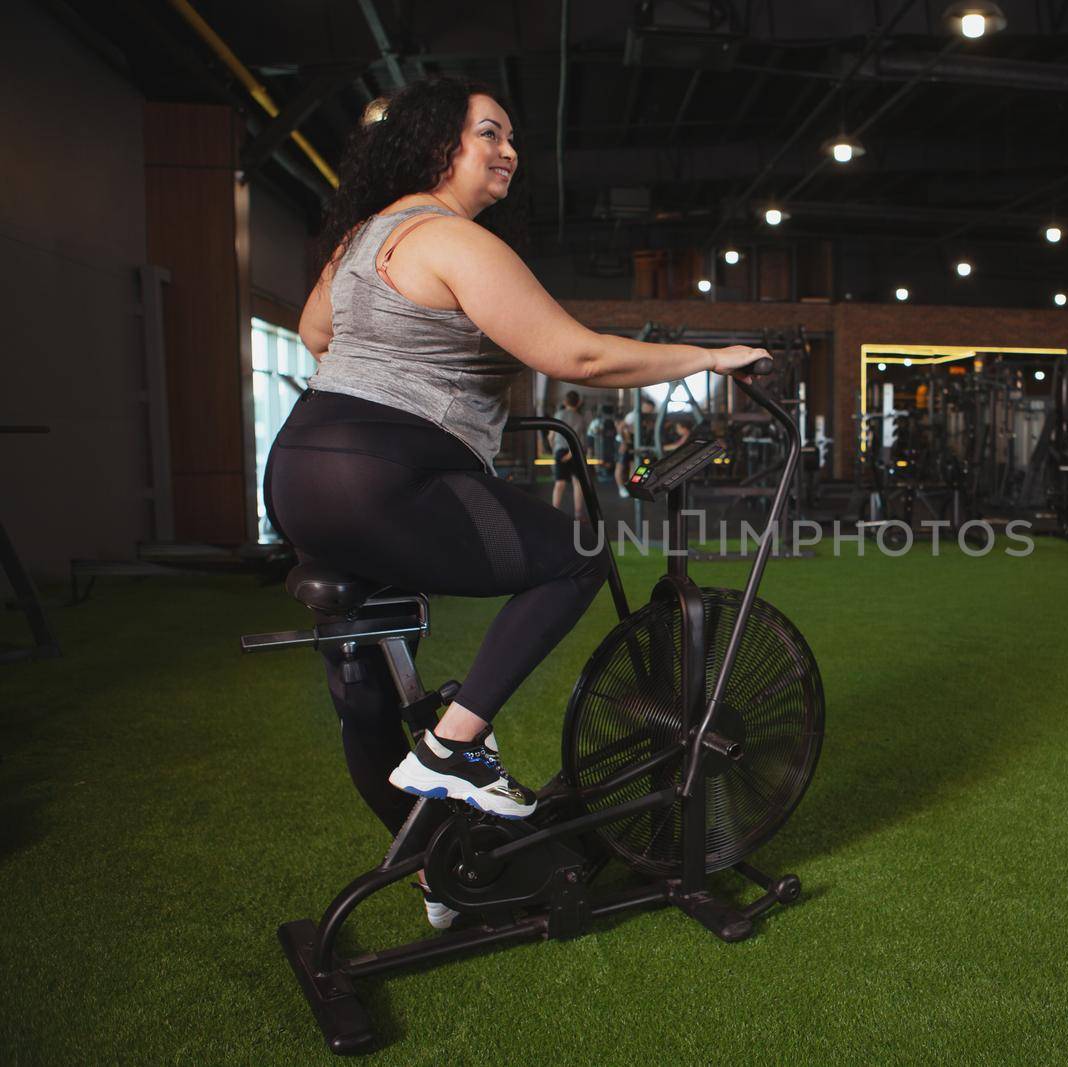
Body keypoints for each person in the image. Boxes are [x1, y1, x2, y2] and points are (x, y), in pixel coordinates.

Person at [264, 77, 767, 880]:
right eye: (488, 135)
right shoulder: (453, 238)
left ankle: (439, 870)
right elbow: (581, 356)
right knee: (575, 555)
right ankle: (455, 746)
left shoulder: (363, 235)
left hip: (299, 473)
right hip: (383, 472)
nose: (509, 152)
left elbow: (314, 329)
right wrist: (711, 357)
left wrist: (389, 386)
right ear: (437, 145)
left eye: (510, 138)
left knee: (368, 675)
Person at [548, 389, 587, 512]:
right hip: (575, 452)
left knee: (560, 483)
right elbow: (579, 439)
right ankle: (578, 514)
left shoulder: (559, 415)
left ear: (565, 402)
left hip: (560, 451)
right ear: (579, 402)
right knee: (577, 483)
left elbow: (551, 437)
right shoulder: (580, 418)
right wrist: (570, 454)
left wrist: (555, 451)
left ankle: (555, 512)